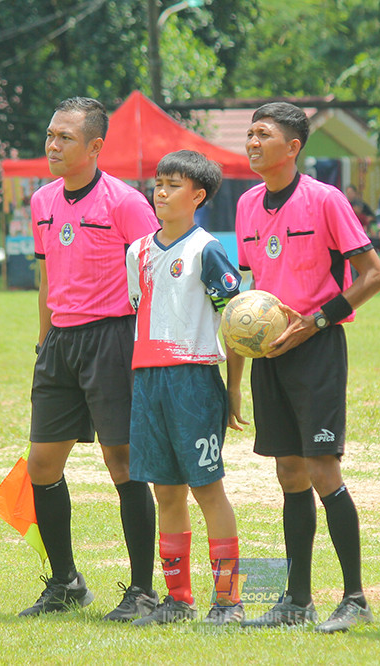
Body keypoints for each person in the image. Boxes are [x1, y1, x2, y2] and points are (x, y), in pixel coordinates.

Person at [232, 102, 380, 633]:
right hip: (268, 355)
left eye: (263, 134)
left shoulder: (326, 200)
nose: (252, 142)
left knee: (323, 469)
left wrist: (317, 321)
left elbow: (373, 276)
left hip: (318, 348)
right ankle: (296, 601)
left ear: (293, 147)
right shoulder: (247, 203)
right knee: (288, 472)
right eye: (249, 134)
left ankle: (355, 597)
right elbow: (248, 292)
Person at [19, 97, 160, 621]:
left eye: (65, 138)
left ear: (96, 146)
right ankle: (65, 582)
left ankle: (141, 590)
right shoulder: (42, 201)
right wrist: (42, 342)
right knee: (42, 463)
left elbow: (153, 278)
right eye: (51, 135)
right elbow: (47, 277)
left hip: (114, 339)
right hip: (59, 344)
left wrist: (146, 349)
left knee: (121, 462)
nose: (53, 145)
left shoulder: (126, 202)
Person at [124, 150, 246, 626]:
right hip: (148, 379)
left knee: (207, 489)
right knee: (166, 493)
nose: (161, 191)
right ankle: (178, 600)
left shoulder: (207, 250)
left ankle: (229, 600)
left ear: (197, 196)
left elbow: (236, 323)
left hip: (193, 377)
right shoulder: (135, 252)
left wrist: (233, 389)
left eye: (173, 185)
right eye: (158, 183)